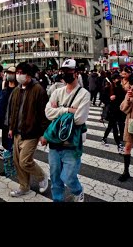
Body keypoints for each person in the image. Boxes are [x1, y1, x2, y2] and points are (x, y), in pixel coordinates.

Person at [43, 59, 91, 202]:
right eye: (63, 71)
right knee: (55, 177)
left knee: (69, 177)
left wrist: (57, 109)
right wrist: (68, 110)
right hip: (54, 141)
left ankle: (77, 190)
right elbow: (48, 113)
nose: (66, 74)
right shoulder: (56, 91)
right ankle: (57, 200)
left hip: (72, 141)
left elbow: (79, 119)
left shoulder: (84, 94)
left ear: (76, 73)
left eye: (69, 71)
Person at [6, 62, 49, 197]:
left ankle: (42, 176)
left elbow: (43, 114)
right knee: (17, 162)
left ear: (28, 75)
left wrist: (44, 134)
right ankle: (24, 186)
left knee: (25, 161)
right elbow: (13, 111)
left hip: (31, 132)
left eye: (21, 73)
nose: (18, 75)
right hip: (17, 132)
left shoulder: (38, 90)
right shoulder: (17, 90)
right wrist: (11, 128)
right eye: (17, 73)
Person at [101, 73, 126, 153]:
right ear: (113, 80)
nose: (118, 80)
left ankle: (104, 138)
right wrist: (109, 98)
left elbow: (123, 98)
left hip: (119, 110)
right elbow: (102, 98)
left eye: (119, 79)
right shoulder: (108, 88)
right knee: (114, 127)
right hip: (111, 110)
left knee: (111, 126)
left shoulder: (121, 88)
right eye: (117, 79)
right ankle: (119, 144)